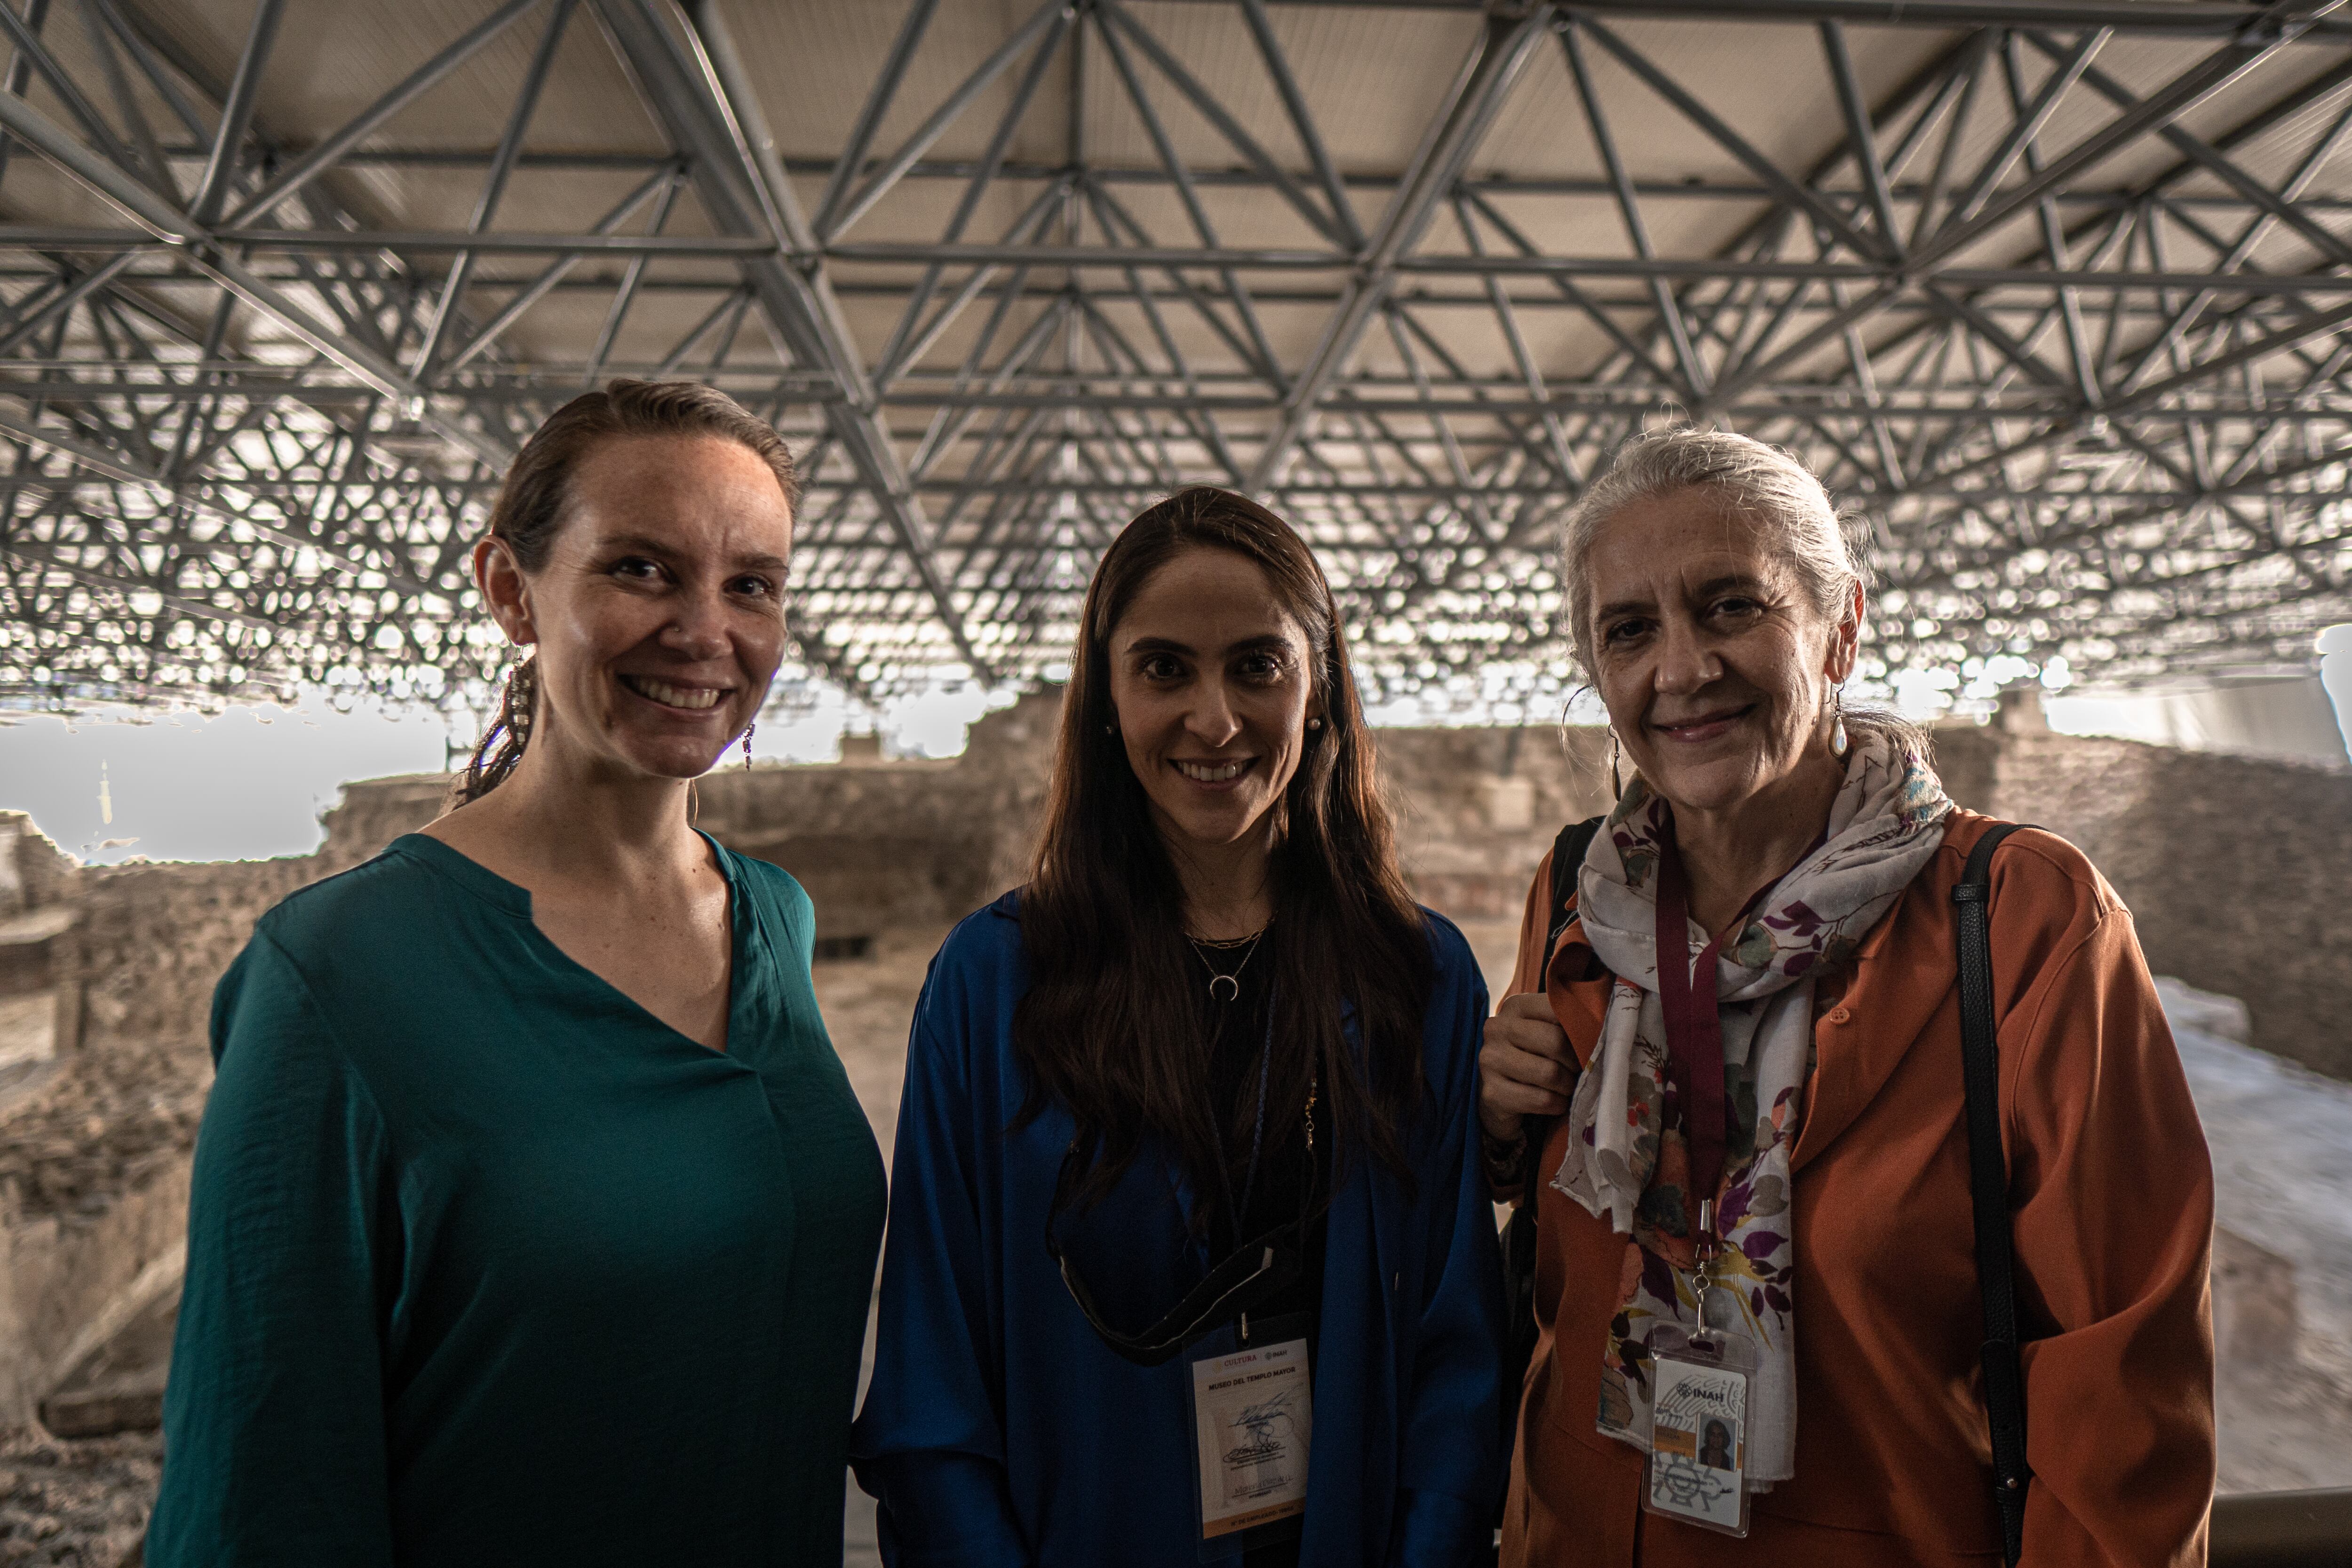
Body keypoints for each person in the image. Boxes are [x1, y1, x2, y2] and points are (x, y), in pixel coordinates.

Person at [148, 380, 887, 1567]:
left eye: (751, 583)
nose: (706, 629)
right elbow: (260, 1492)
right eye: (642, 568)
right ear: (511, 590)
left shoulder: (775, 921)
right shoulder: (337, 972)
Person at [1478, 428, 2214, 1565]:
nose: (1680, 669)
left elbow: (2123, 1386)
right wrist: (1494, 1130)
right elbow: (1557, 1274)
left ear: (1842, 627)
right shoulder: (1583, 899)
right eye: (1630, 629)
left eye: (1731, 607)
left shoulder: (2021, 919)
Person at [851, 486, 1505, 1567]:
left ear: (1319, 689)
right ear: (1108, 698)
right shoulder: (997, 977)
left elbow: (1455, 1349)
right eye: (1165, 668)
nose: (1214, 719)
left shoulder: (1414, 975)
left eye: (1257, 665)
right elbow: (935, 1365)